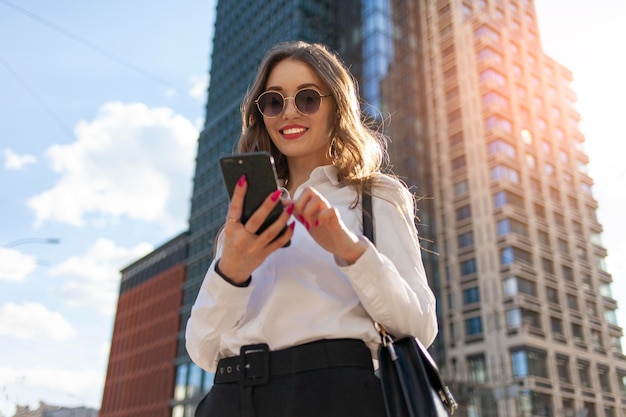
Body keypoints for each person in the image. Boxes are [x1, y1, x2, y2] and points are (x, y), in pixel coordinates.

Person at [186, 41, 437, 417]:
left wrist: (349, 248)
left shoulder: (374, 196)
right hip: (232, 397)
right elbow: (203, 349)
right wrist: (231, 271)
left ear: (336, 106)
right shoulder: (244, 220)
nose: (288, 113)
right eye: (274, 101)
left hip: (335, 395)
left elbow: (419, 325)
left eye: (307, 98)